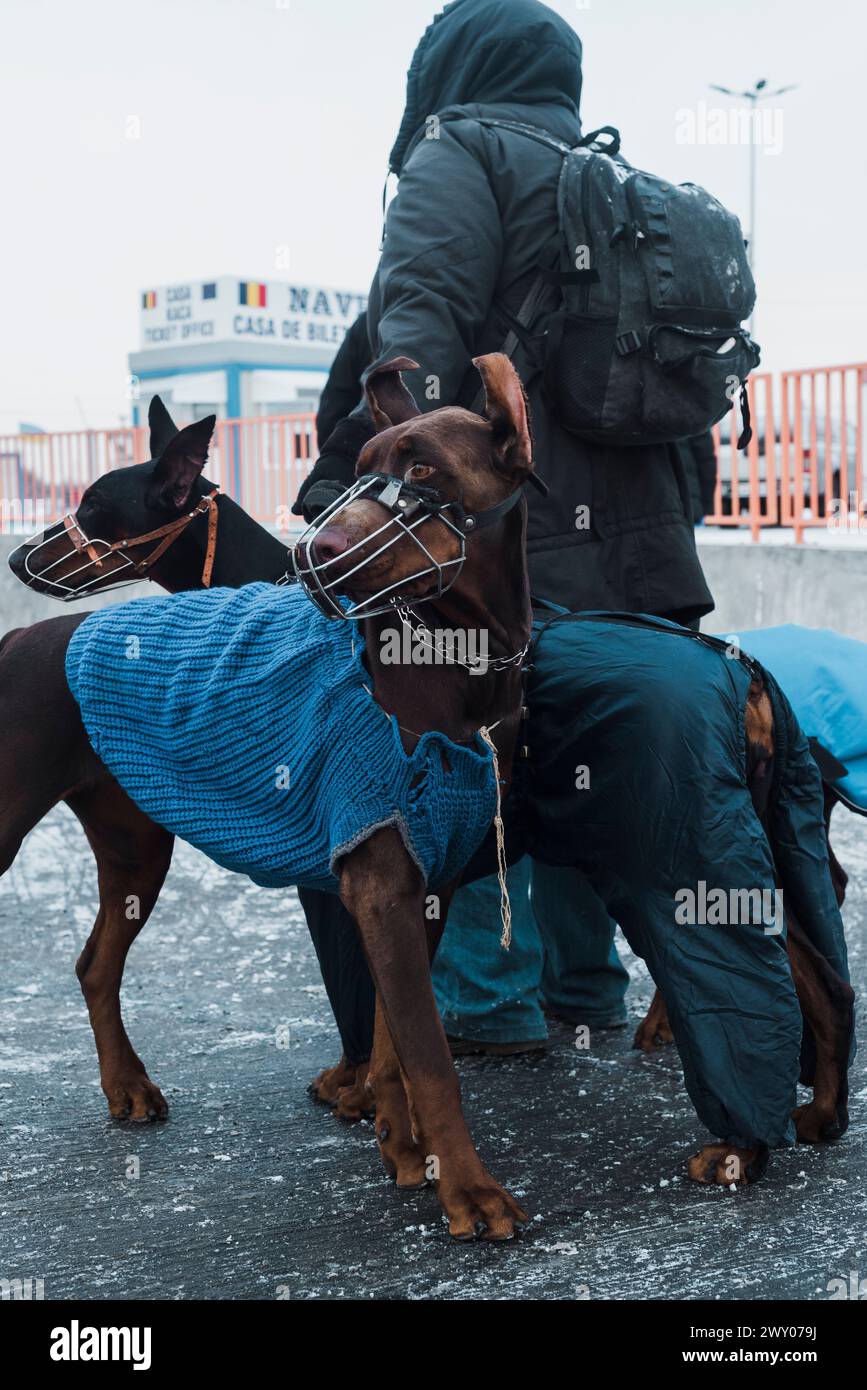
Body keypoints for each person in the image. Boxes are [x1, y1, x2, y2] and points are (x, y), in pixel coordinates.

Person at [294, 0, 716, 1055]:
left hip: (507, 547)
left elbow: (421, 335)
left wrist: (388, 499)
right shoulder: (619, 183)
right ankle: (587, 984)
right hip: (649, 543)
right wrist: (671, 531)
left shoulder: (460, 150)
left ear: (447, 67)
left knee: (475, 750)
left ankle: (489, 999)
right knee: (591, 753)